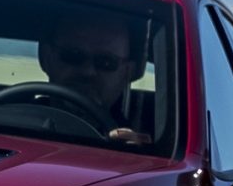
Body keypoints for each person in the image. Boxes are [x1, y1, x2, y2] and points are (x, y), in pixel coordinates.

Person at [37, 11, 152, 144]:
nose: (88, 71)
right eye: (73, 55)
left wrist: (137, 159)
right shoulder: (9, 120)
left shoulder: (138, 147)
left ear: (127, 73)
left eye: (106, 62)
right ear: (46, 58)